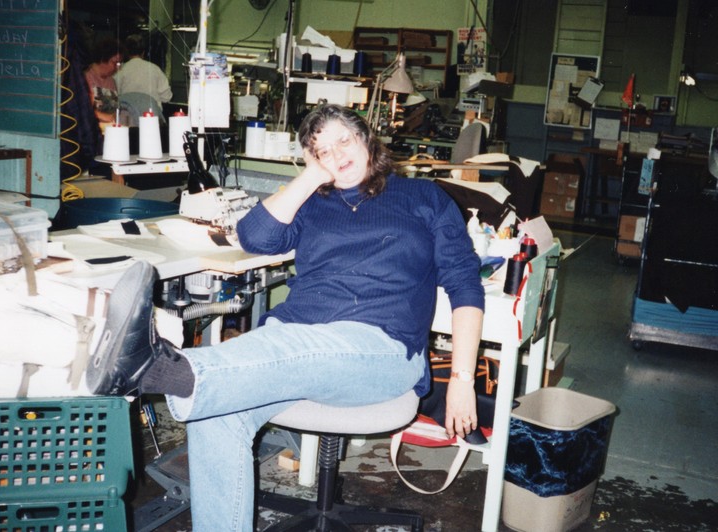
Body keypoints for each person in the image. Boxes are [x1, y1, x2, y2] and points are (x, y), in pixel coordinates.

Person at [86, 104, 484, 531]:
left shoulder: (424, 197)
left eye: (344, 141)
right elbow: (256, 238)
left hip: (381, 351)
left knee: (289, 346)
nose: (337, 156)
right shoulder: (313, 203)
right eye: (322, 151)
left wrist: (462, 382)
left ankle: (165, 371)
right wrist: (311, 177)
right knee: (216, 413)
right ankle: (174, 378)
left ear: (366, 139)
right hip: (295, 338)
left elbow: (465, 286)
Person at [114, 34, 172, 119]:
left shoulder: (119, 71)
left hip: (127, 120)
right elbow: (167, 97)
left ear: (126, 52)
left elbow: (114, 95)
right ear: (144, 52)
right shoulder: (155, 69)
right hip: (152, 118)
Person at [84, 38, 124, 129]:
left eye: (119, 64)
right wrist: (103, 116)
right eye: (115, 63)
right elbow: (83, 109)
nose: (118, 68)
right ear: (102, 59)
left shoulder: (111, 81)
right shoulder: (86, 77)